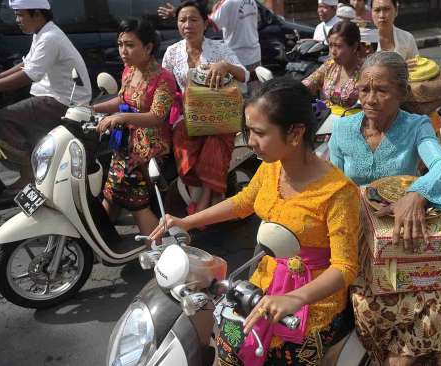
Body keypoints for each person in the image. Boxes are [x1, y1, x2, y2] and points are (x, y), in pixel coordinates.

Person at [150, 77, 361, 365]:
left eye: (259, 133)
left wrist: (296, 298)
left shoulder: (337, 192)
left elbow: (344, 267)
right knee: (227, 348)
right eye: (248, 131)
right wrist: (186, 222)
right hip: (259, 286)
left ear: (296, 133)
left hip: (309, 306)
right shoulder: (271, 167)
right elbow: (243, 202)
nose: (250, 143)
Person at [329, 51, 441, 366]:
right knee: (368, 313)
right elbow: (332, 185)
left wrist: (418, 192)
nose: (371, 99)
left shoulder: (416, 127)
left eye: (382, 90)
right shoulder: (343, 129)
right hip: (359, 242)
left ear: (401, 92)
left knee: (428, 305)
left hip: (404, 238)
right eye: (364, 89)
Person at [0, 0, 91, 192]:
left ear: (38, 15)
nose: (17, 20)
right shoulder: (42, 33)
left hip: (62, 101)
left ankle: (29, 174)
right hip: (52, 97)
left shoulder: (50, 37)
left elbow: (29, 75)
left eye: (21, 15)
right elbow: (26, 64)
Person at [92, 18, 176, 243]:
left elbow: (157, 117)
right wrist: (91, 108)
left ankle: (159, 252)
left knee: (134, 200)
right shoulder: (129, 70)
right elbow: (122, 98)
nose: (123, 51)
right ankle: (101, 242)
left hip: (150, 149)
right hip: (125, 144)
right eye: (120, 44)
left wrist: (120, 116)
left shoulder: (164, 78)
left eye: (129, 45)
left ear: (148, 47)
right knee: (110, 192)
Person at [162, 1, 248, 215]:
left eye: (193, 19)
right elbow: (165, 85)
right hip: (188, 116)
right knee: (183, 144)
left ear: (205, 23)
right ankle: (210, 196)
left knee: (215, 141)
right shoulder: (172, 53)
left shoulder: (219, 48)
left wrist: (225, 66)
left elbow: (244, 75)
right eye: (182, 20)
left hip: (219, 114)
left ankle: (202, 204)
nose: (188, 25)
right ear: (177, 24)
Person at [302, 21, 364, 108]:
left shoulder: (366, 71)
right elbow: (308, 84)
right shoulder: (330, 65)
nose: (333, 52)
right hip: (329, 119)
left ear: (354, 47)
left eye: (338, 46)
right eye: (330, 46)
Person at [210, 0, 262, 75]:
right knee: (256, 85)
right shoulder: (252, 1)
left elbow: (213, 22)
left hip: (236, 58)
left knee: (238, 86)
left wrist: (215, 8)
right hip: (255, 55)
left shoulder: (227, 3)